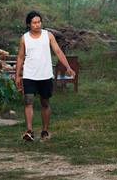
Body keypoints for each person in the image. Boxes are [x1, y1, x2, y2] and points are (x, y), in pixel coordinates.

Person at [14, 11, 76, 141]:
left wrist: (68, 67)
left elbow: (58, 52)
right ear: (28, 24)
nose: (38, 25)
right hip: (29, 74)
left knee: (45, 102)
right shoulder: (24, 38)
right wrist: (17, 76)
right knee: (28, 100)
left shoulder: (48, 36)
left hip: (45, 74)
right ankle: (29, 131)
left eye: (39, 22)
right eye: (34, 23)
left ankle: (45, 131)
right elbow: (20, 57)